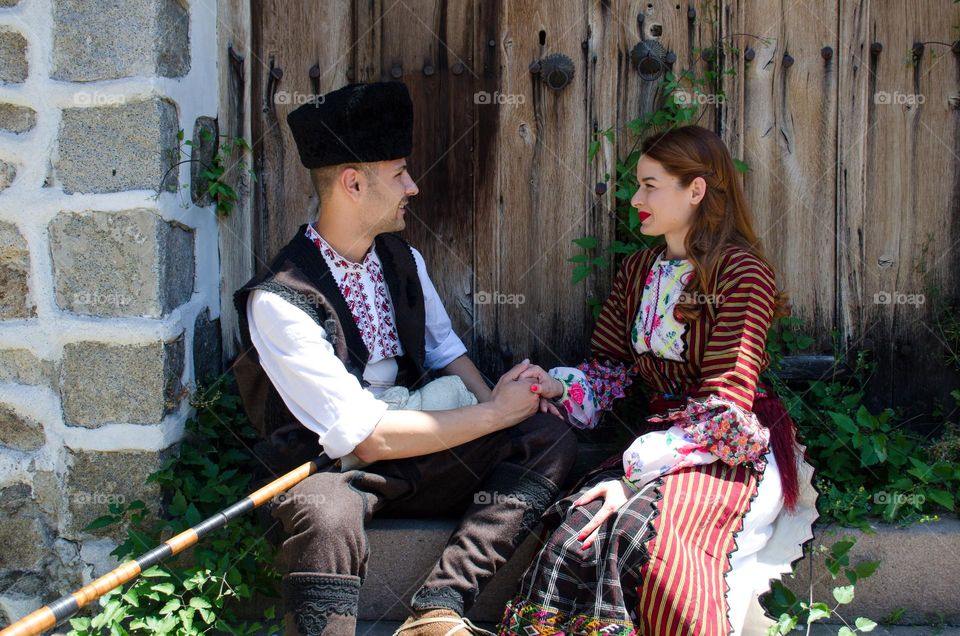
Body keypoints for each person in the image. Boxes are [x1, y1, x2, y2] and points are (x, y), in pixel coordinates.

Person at [232, 81, 578, 636]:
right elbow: (364, 437)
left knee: (546, 438)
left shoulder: (403, 258)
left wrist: (499, 403)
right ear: (352, 182)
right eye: (398, 173)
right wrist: (494, 415)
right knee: (326, 517)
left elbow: (446, 351)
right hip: (327, 467)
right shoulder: (279, 299)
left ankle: (438, 608)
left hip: (413, 452)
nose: (412, 187)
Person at [498, 125, 819, 636]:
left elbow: (725, 406)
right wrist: (557, 387)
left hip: (728, 451)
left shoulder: (742, 273)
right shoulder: (639, 269)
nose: (635, 198)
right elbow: (611, 370)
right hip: (661, 444)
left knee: (640, 537)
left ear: (696, 190)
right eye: (637, 185)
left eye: (650, 185)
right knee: (577, 530)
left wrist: (631, 474)